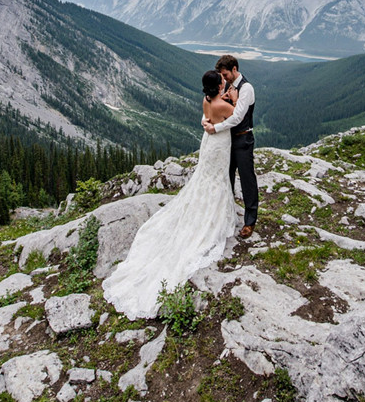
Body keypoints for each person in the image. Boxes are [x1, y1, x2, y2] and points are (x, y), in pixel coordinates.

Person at [102, 70, 237, 319]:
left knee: (205, 179)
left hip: (208, 145)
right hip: (219, 145)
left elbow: (206, 118)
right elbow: (236, 118)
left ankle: (201, 208)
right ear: (218, 87)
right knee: (216, 180)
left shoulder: (207, 101)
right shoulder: (222, 104)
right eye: (222, 82)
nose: (224, 82)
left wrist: (208, 121)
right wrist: (234, 98)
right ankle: (213, 214)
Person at [203, 54, 258, 239]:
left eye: (225, 74)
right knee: (226, 177)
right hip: (227, 140)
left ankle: (250, 221)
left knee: (247, 178)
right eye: (222, 75)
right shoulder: (227, 86)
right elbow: (214, 106)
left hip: (243, 140)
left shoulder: (247, 88)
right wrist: (207, 120)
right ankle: (228, 213)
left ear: (234, 69)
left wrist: (214, 127)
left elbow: (237, 117)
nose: (223, 78)